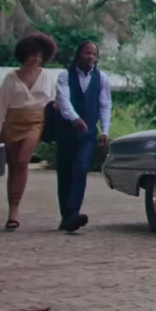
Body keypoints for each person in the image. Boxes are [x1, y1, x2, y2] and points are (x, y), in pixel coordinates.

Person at [0, 32, 59, 230]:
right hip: (12, 122)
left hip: (35, 122)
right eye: (33, 54)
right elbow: (1, 103)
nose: (37, 58)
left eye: (40, 55)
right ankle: (13, 210)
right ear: (24, 55)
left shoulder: (46, 76)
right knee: (13, 166)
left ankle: (16, 206)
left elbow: (52, 101)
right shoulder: (11, 77)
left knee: (22, 160)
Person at [53, 40, 111, 233]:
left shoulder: (101, 78)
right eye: (87, 53)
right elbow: (63, 100)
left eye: (94, 54)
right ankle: (66, 216)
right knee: (65, 171)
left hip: (88, 133)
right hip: (67, 131)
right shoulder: (64, 76)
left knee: (81, 167)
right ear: (79, 54)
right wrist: (74, 118)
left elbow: (104, 105)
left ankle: (73, 210)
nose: (91, 57)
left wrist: (105, 130)